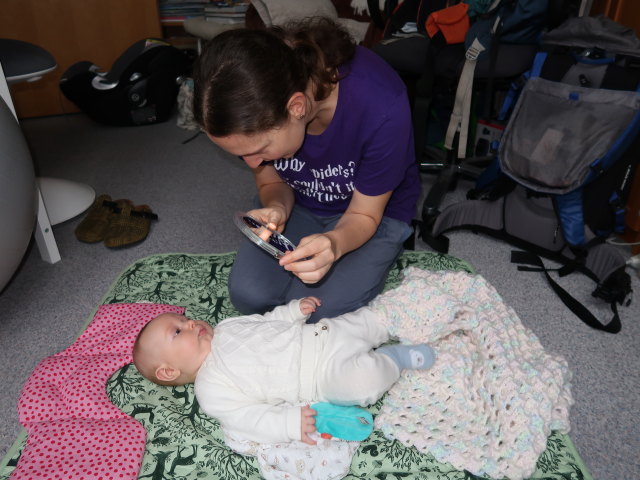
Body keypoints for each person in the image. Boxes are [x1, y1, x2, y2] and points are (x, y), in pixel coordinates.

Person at [192, 17, 421, 323]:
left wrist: (334, 244)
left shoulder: (381, 105)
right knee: (250, 296)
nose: (253, 164)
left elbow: (364, 215)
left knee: (316, 312)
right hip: (301, 199)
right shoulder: (256, 100)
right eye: (241, 155)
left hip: (372, 212)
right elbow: (270, 179)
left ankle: (380, 256)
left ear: (297, 107)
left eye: (259, 150)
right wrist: (276, 207)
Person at [132, 297, 436, 445]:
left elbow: (266, 321)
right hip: (322, 376)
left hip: (322, 334)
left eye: (183, 319)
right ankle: (394, 358)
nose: (190, 323)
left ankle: (393, 316)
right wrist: (289, 423)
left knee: (362, 322)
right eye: (177, 331)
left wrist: (292, 312)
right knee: (361, 383)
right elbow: (248, 420)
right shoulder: (211, 388)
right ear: (169, 372)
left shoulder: (226, 327)